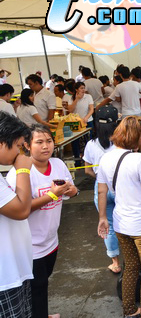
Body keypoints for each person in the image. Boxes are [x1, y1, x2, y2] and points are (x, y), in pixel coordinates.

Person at [7, 124, 78, 318]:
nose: (46, 146)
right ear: (27, 146)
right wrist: (52, 195)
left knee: (42, 283)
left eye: (49, 141)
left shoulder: (58, 164)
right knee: (37, 288)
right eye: (39, 142)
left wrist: (72, 191)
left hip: (51, 240)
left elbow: (69, 189)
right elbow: (21, 208)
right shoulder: (19, 173)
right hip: (30, 246)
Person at [96, 116, 141, 318]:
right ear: (136, 136)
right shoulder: (138, 159)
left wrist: (102, 217)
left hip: (120, 222)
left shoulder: (105, 158)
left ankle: (129, 310)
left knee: (131, 267)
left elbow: (101, 191)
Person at [0, 113, 33, 318]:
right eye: (19, 146)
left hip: (13, 271)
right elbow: (21, 210)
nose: (20, 152)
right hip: (5, 277)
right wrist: (23, 171)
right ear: (3, 142)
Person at [83, 106, 121, 274]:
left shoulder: (91, 145)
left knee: (109, 226)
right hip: (121, 187)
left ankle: (115, 262)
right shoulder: (121, 143)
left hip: (101, 189)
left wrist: (100, 178)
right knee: (127, 221)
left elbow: (87, 170)